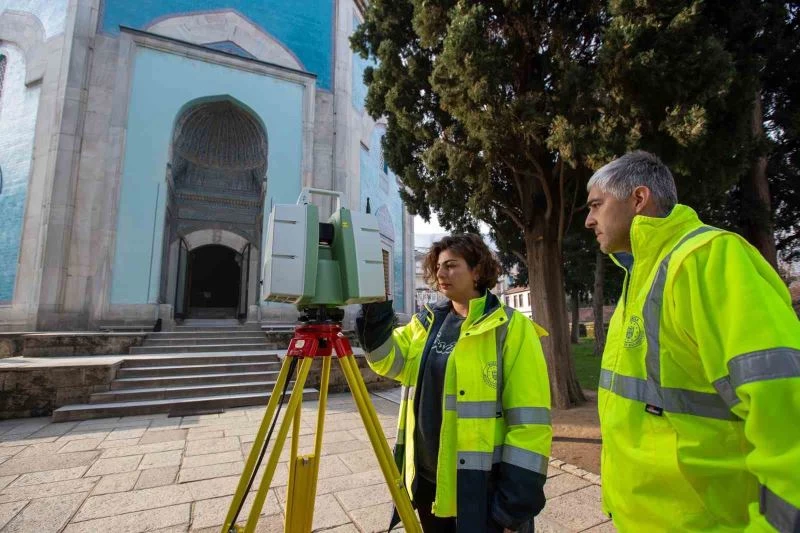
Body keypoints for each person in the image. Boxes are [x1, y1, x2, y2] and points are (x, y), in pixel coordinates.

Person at [584, 150, 800, 532]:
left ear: (638, 198)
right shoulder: (640, 276)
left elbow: (784, 402)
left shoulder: (708, 259)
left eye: (596, 205)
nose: (588, 220)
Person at [357, 234, 551, 533]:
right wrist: (375, 315)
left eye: (451, 265)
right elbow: (388, 361)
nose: (440, 274)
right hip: (427, 478)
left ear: (477, 270)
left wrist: (515, 501)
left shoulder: (512, 328)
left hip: (482, 482)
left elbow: (530, 422)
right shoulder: (427, 322)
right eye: (437, 267)